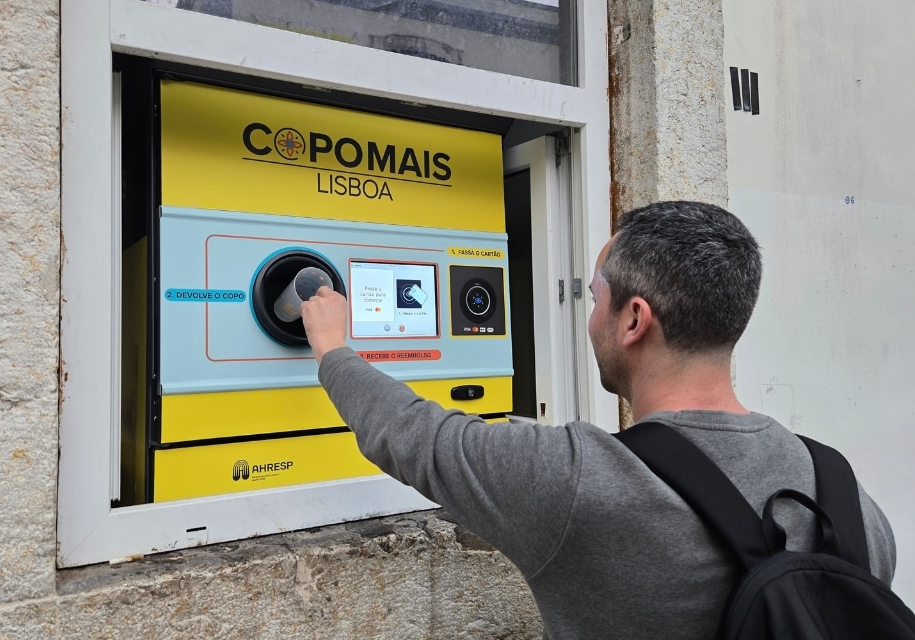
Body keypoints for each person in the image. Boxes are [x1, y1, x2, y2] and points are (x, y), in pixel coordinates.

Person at [300, 200, 896, 639]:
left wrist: (332, 347)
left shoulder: (579, 481)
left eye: (594, 298)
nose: (589, 318)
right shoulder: (847, 497)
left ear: (634, 320)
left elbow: (417, 437)